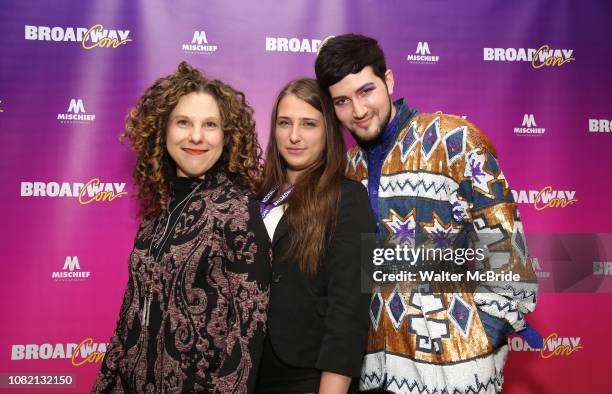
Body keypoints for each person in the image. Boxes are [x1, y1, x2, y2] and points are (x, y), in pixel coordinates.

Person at [315, 34, 540, 393]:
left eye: (366, 91)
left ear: (388, 81)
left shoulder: (456, 142)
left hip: (457, 373)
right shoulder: (346, 169)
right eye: (342, 101)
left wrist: (481, 336)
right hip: (372, 374)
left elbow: (506, 256)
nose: (358, 110)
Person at [93, 61, 271, 393]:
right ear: (163, 130)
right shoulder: (155, 215)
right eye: (183, 122)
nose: (196, 136)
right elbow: (129, 318)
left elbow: (248, 333)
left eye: (210, 125)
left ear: (226, 136)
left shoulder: (236, 209)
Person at [255, 79, 376, 394]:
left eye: (308, 124)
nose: (294, 136)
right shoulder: (254, 194)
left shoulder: (350, 198)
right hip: (248, 370)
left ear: (328, 132)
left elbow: (350, 309)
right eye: (285, 123)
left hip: (307, 376)